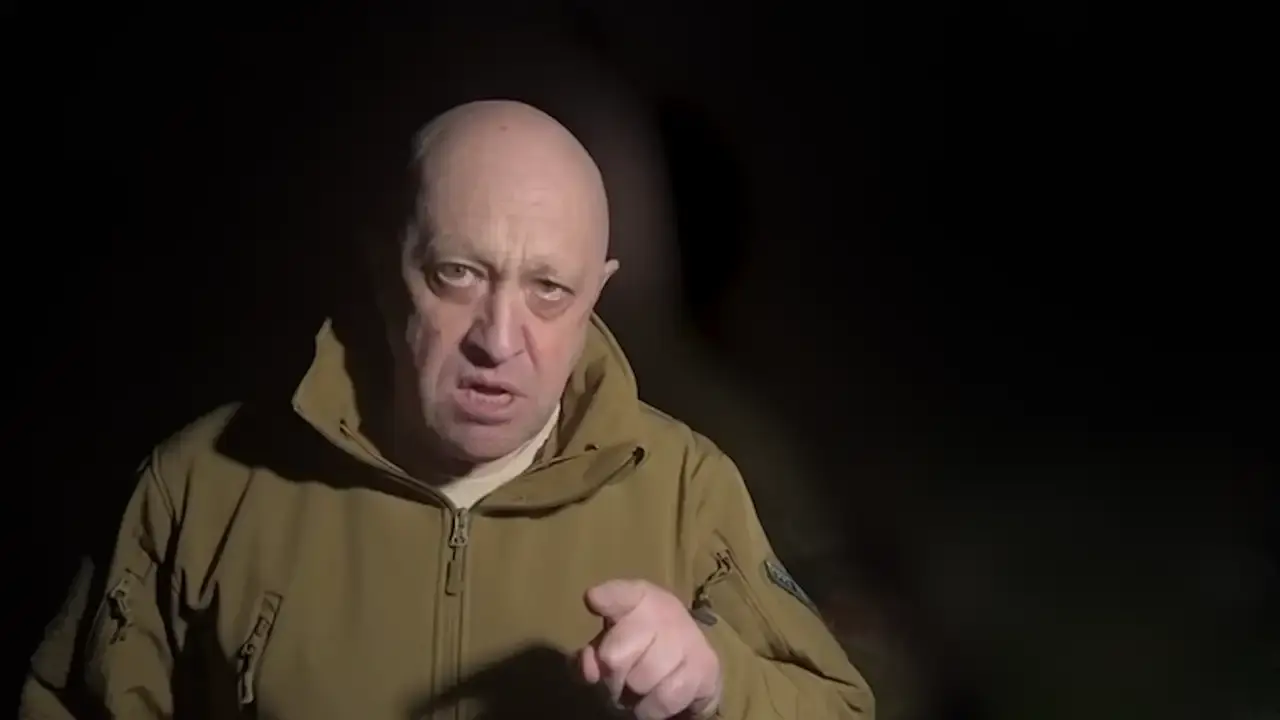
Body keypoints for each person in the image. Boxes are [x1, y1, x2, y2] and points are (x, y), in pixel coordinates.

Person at [20, 100, 874, 719]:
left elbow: (842, 707)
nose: (498, 339)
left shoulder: (688, 491)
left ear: (597, 295)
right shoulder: (198, 489)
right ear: (384, 267)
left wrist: (719, 684)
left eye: (549, 290)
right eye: (457, 274)